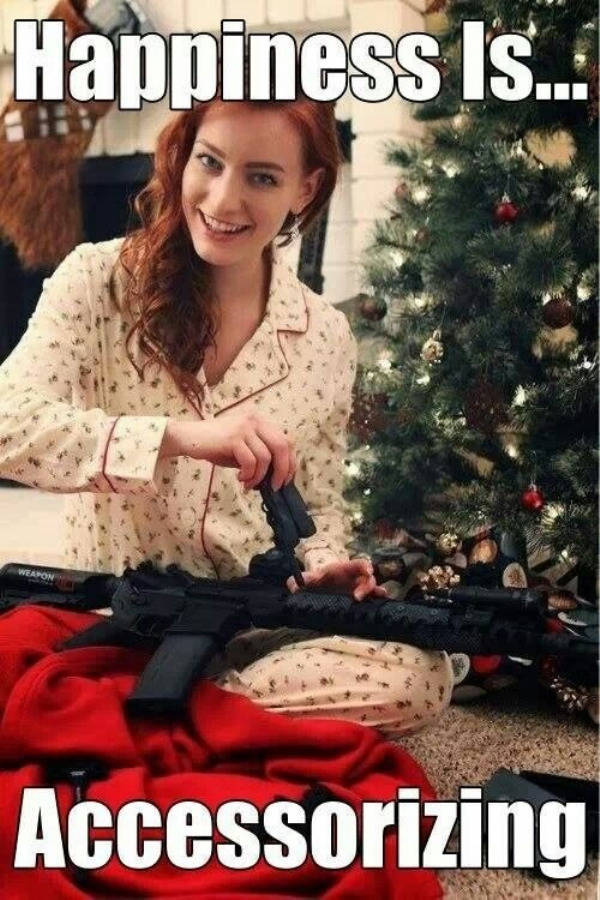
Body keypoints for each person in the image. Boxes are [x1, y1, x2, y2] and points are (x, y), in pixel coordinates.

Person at [0, 89, 453, 737]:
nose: (222, 200)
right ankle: (178, 716)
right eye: (209, 162)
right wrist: (177, 437)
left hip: (251, 635)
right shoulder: (97, 281)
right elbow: (8, 425)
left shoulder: (324, 336)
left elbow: (319, 504)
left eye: (262, 177)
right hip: (112, 620)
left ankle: (147, 713)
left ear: (305, 188)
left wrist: (323, 563)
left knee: (423, 676)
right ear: (183, 157)